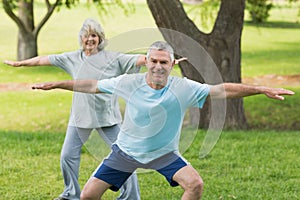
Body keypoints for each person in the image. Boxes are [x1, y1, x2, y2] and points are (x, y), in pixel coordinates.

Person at [31, 41, 295, 200]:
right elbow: (90, 85)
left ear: (172, 64)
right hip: (125, 152)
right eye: (154, 61)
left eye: (164, 62)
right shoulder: (128, 82)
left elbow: (222, 90)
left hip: (163, 154)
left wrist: (260, 89)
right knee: (88, 195)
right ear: (147, 62)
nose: (158, 66)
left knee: (195, 184)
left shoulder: (183, 87)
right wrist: (57, 84)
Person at [4, 18, 145, 200]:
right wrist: (21, 63)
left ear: (100, 38)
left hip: (107, 118)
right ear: (81, 38)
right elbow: (45, 59)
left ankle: (131, 197)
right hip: (80, 118)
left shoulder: (112, 58)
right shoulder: (72, 58)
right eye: (86, 36)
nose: (90, 40)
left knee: (124, 156)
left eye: (94, 35)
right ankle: (71, 194)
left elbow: (138, 59)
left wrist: (156, 60)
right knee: (67, 156)